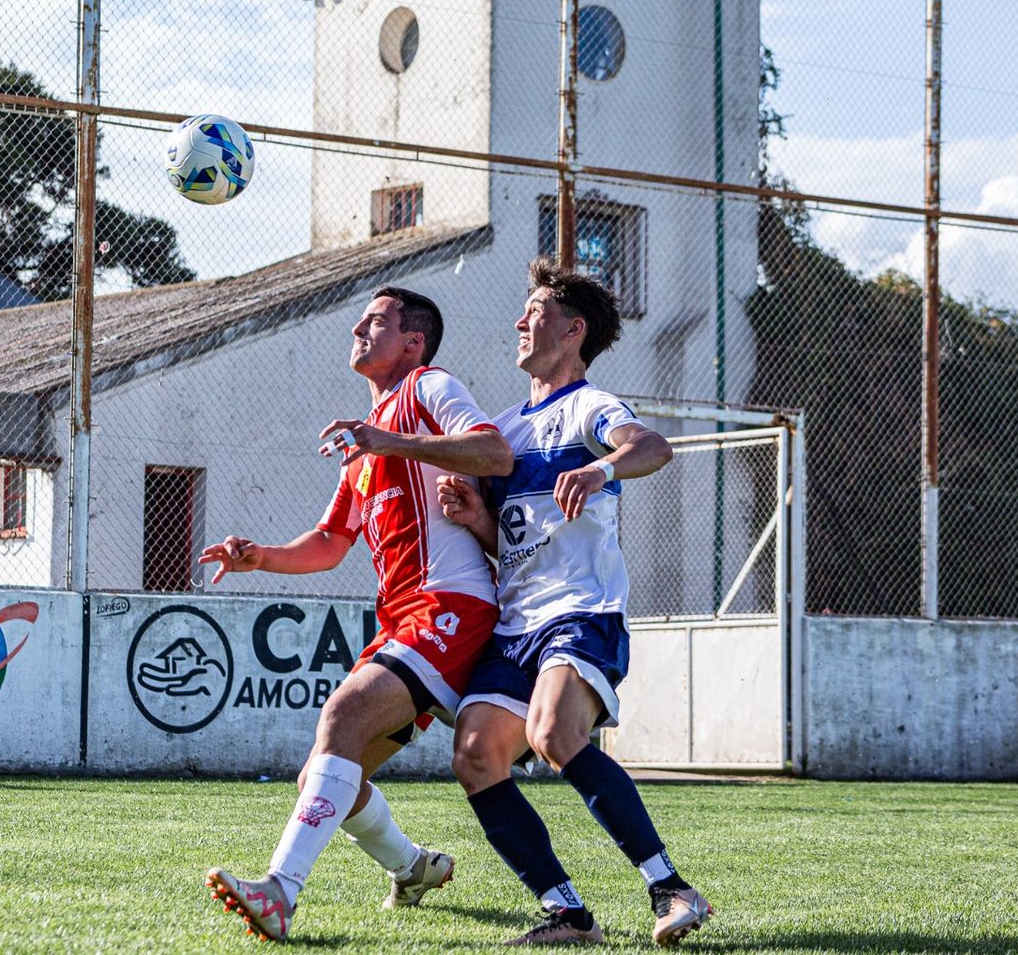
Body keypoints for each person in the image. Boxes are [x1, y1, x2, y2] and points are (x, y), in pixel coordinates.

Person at [200, 285, 513, 942]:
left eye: (375, 321)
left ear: (412, 342)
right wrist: (259, 557)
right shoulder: (363, 445)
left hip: (451, 605)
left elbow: (493, 452)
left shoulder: (429, 386)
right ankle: (414, 866)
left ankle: (281, 894)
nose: (357, 328)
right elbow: (328, 544)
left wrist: (393, 441)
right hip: (403, 621)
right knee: (325, 772)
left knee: (340, 718)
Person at [438, 257, 713, 947]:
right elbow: (517, 545)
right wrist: (478, 520)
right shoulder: (502, 431)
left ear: (572, 329)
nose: (520, 321)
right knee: (474, 753)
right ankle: (567, 912)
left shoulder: (591, 407)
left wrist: (600, 466)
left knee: (556, 733)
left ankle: (671, 888)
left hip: (579, 611)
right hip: (515, 623)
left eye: (534, 310)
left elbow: (653, 447)